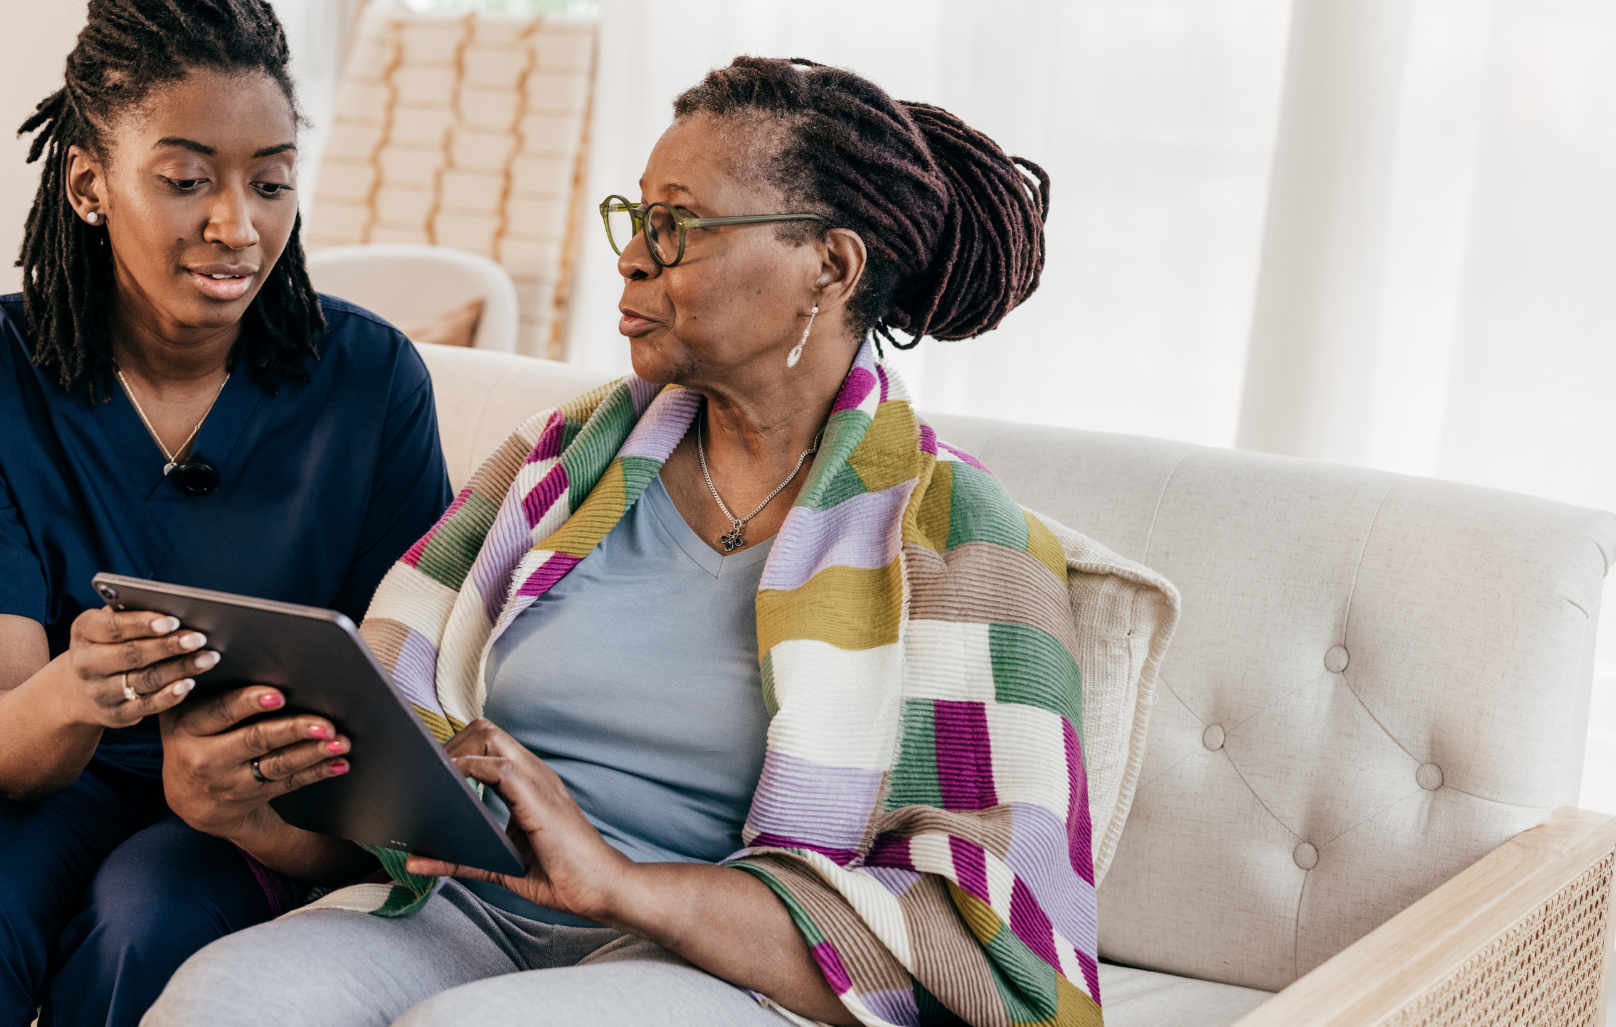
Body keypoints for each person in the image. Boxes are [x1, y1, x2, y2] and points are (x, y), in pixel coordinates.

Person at [145, 57, 1101, 1027]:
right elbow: (403, 794)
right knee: (219, 1000)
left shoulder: (959, 538)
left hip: (729, 968)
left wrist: (619, 884)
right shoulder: (564, 460)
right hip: (474, 903)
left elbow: (982, 950)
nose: (634, 257)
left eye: (677, 225)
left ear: (831, 264)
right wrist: (250, 811)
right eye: (636, 219)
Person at [0, 0, 452, 1027]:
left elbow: (399, 722)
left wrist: (262, 806)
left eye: (269, 180)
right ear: (89, 184)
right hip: (42, 758)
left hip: (248, 797)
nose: (238, 225)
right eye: (186, 180)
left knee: (151, 920)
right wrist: (84, 685)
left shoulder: (372, 383)